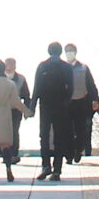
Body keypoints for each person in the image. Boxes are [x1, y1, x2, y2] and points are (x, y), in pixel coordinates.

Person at [30, 43, 73, 181]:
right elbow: (71, 87)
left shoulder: (42, 66)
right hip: (61, 105)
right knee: (59, 137)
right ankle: (57, 170)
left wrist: (32, 106)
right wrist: (67, 102)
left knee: (44, 136)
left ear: (48, 51)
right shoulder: (66, 67)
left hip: (45, 105)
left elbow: (36, 88)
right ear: (60, 52)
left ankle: (45, 166)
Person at [61, 44, 98, 166]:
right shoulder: (62, 67)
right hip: (67, 102)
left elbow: (91, 85)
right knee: (67, 130)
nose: (69, 53)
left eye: (71, 51)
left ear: (75, 52)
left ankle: (78, 150)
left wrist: (95, 99)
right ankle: (69, 155)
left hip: (82, 102)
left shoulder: (83, 68)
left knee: (81, 129)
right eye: (67, 51)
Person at [4, 57, 30, 169]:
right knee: (4, 133)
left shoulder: (20, 79)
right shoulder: (0, 78)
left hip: (15, 110)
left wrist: (26, 110)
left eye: (11, 64)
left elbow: (26, 96)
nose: (9, 67)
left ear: (15, 66)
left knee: (14, 131)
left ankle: (14, 154)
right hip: (2, 110)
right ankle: (5, 155)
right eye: (7, 64)